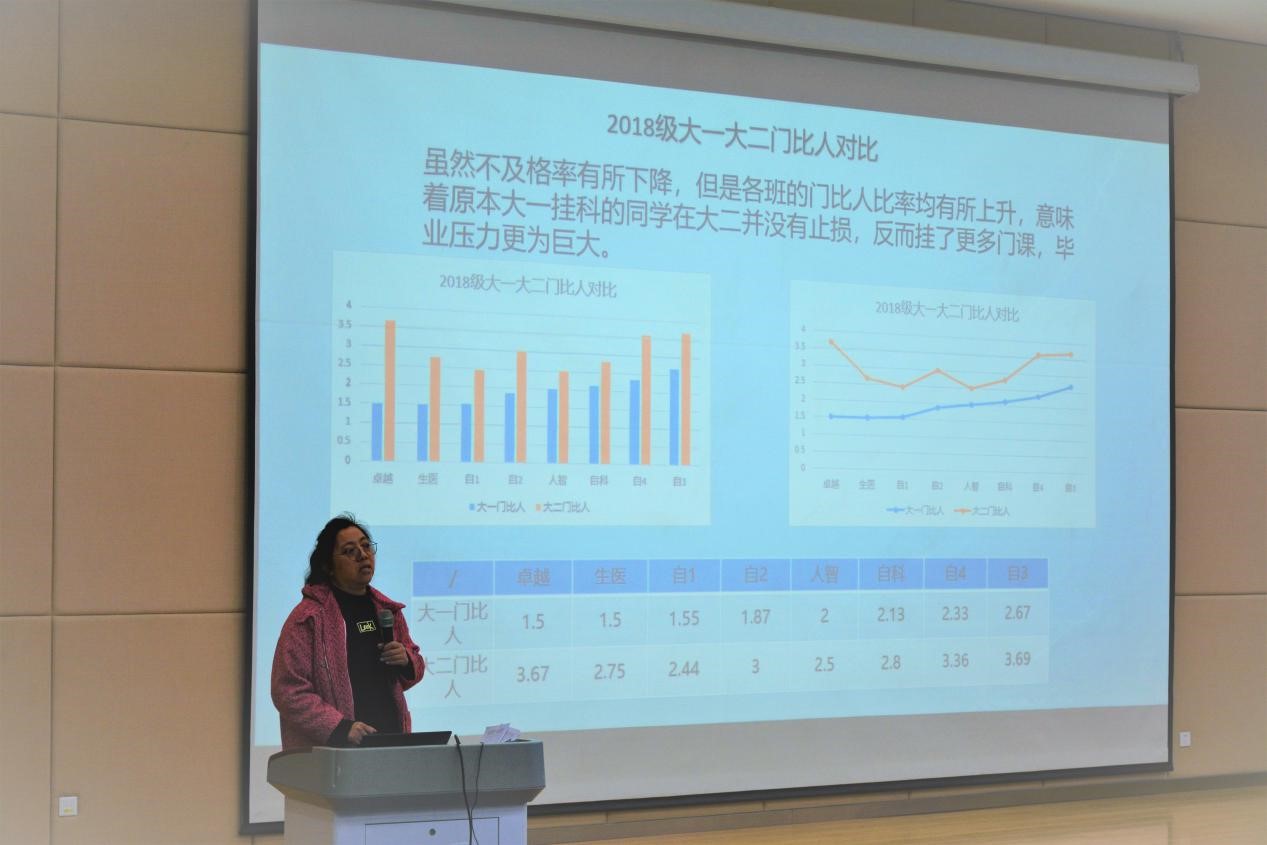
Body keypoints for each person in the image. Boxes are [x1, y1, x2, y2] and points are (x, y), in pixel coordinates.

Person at [271, 515, 425, 748]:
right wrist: (339, 727)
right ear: (328, 566)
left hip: (392, 744)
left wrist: (406, 660)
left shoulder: (387, 611)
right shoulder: (309, 617)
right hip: (335, 751)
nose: (363, 555)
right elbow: (287, 690)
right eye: (350, 551)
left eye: (366, 546)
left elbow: (415, 667)